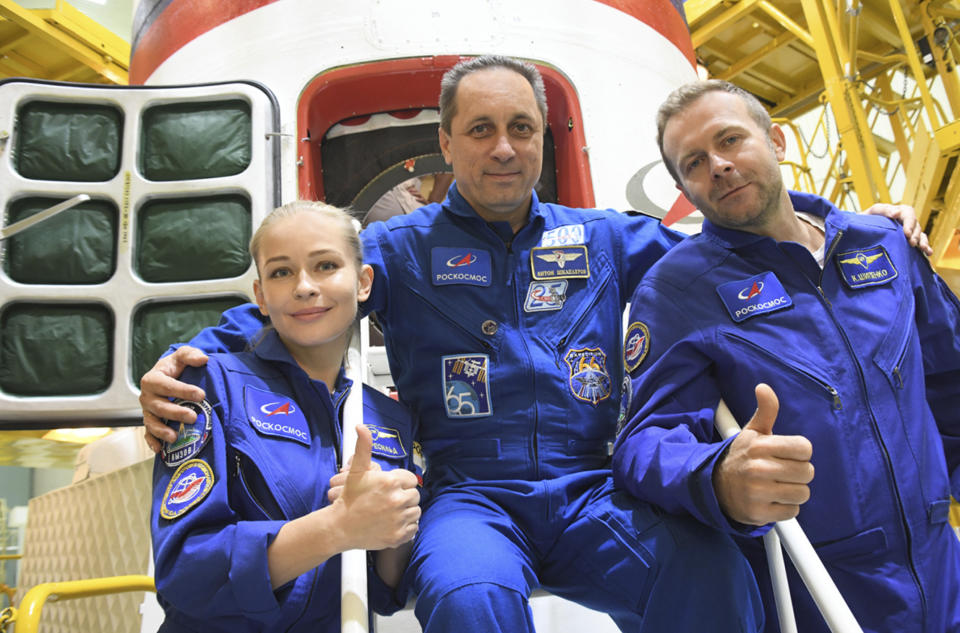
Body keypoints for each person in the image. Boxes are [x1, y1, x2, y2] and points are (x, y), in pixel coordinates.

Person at [141, 56, 926, 632]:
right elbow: (307, 294)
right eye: (480, 129)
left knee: (714, 571)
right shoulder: (401, 247)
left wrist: (850, 220)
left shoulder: (607, 239)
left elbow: (730, 244)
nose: (504, 147)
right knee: (468, 598)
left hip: (595, 488)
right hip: (470, 496)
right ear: (446, 143)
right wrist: (192, 360)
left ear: (543, 139)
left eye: (521, 127)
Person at [613, 79, 960, 633]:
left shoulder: (884, 242)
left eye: (731, 140)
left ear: (776, 141)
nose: (719, 166)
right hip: (819, 591)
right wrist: (718, 475)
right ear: (685, 187)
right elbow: (643, 443)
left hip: (941, 566)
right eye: (695, 162)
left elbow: (949, 380)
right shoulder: (678, 291)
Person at [150, 201, 422, 632]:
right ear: (260, 296)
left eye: (327, 265)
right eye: (281, 272)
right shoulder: (208, 387)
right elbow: (185, 572)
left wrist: (398, 522)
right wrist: (336, 528)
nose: (304, 287)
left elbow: (385, 593)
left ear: (364, 282)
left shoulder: (389, 419)